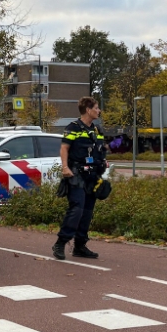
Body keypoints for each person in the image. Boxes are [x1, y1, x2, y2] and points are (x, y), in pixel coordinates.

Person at [52, 96, 107, 260]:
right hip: (76, 174)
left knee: (88, 211)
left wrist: (104, 160)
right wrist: (65, 167)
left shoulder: (96, 130)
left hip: (92, 175)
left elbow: (100, 148)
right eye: (96, 108)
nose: (99, 111)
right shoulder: (73, 127)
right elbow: (64, 148)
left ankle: (80, 246)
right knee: (77, 208)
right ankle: (60, 243)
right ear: (88, 110)